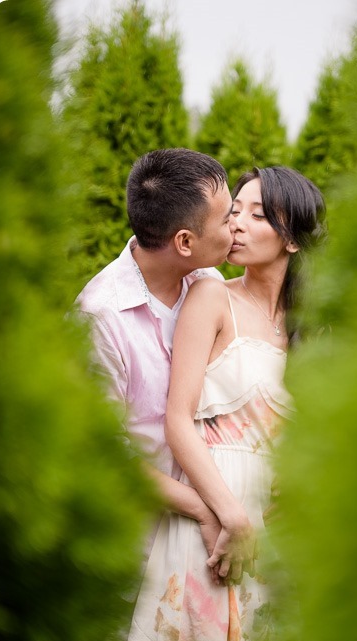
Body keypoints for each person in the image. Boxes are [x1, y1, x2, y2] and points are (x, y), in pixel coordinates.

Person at [125, 166, 326, 641]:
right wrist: (229, 515)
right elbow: (177, 420)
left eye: (257, 215)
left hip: (277, 531)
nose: (237, 222)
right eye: (234, 209)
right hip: (213, 516)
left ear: (294, 241)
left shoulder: (312, 327)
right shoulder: (212, 296)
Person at [75, 148, 237, 575]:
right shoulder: (100, 317)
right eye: (226, 219)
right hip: (134, 550)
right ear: (184, 241)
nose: (235, 226)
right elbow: (104, 455)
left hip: (206, 543)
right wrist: (203, 510)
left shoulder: (207, 281)